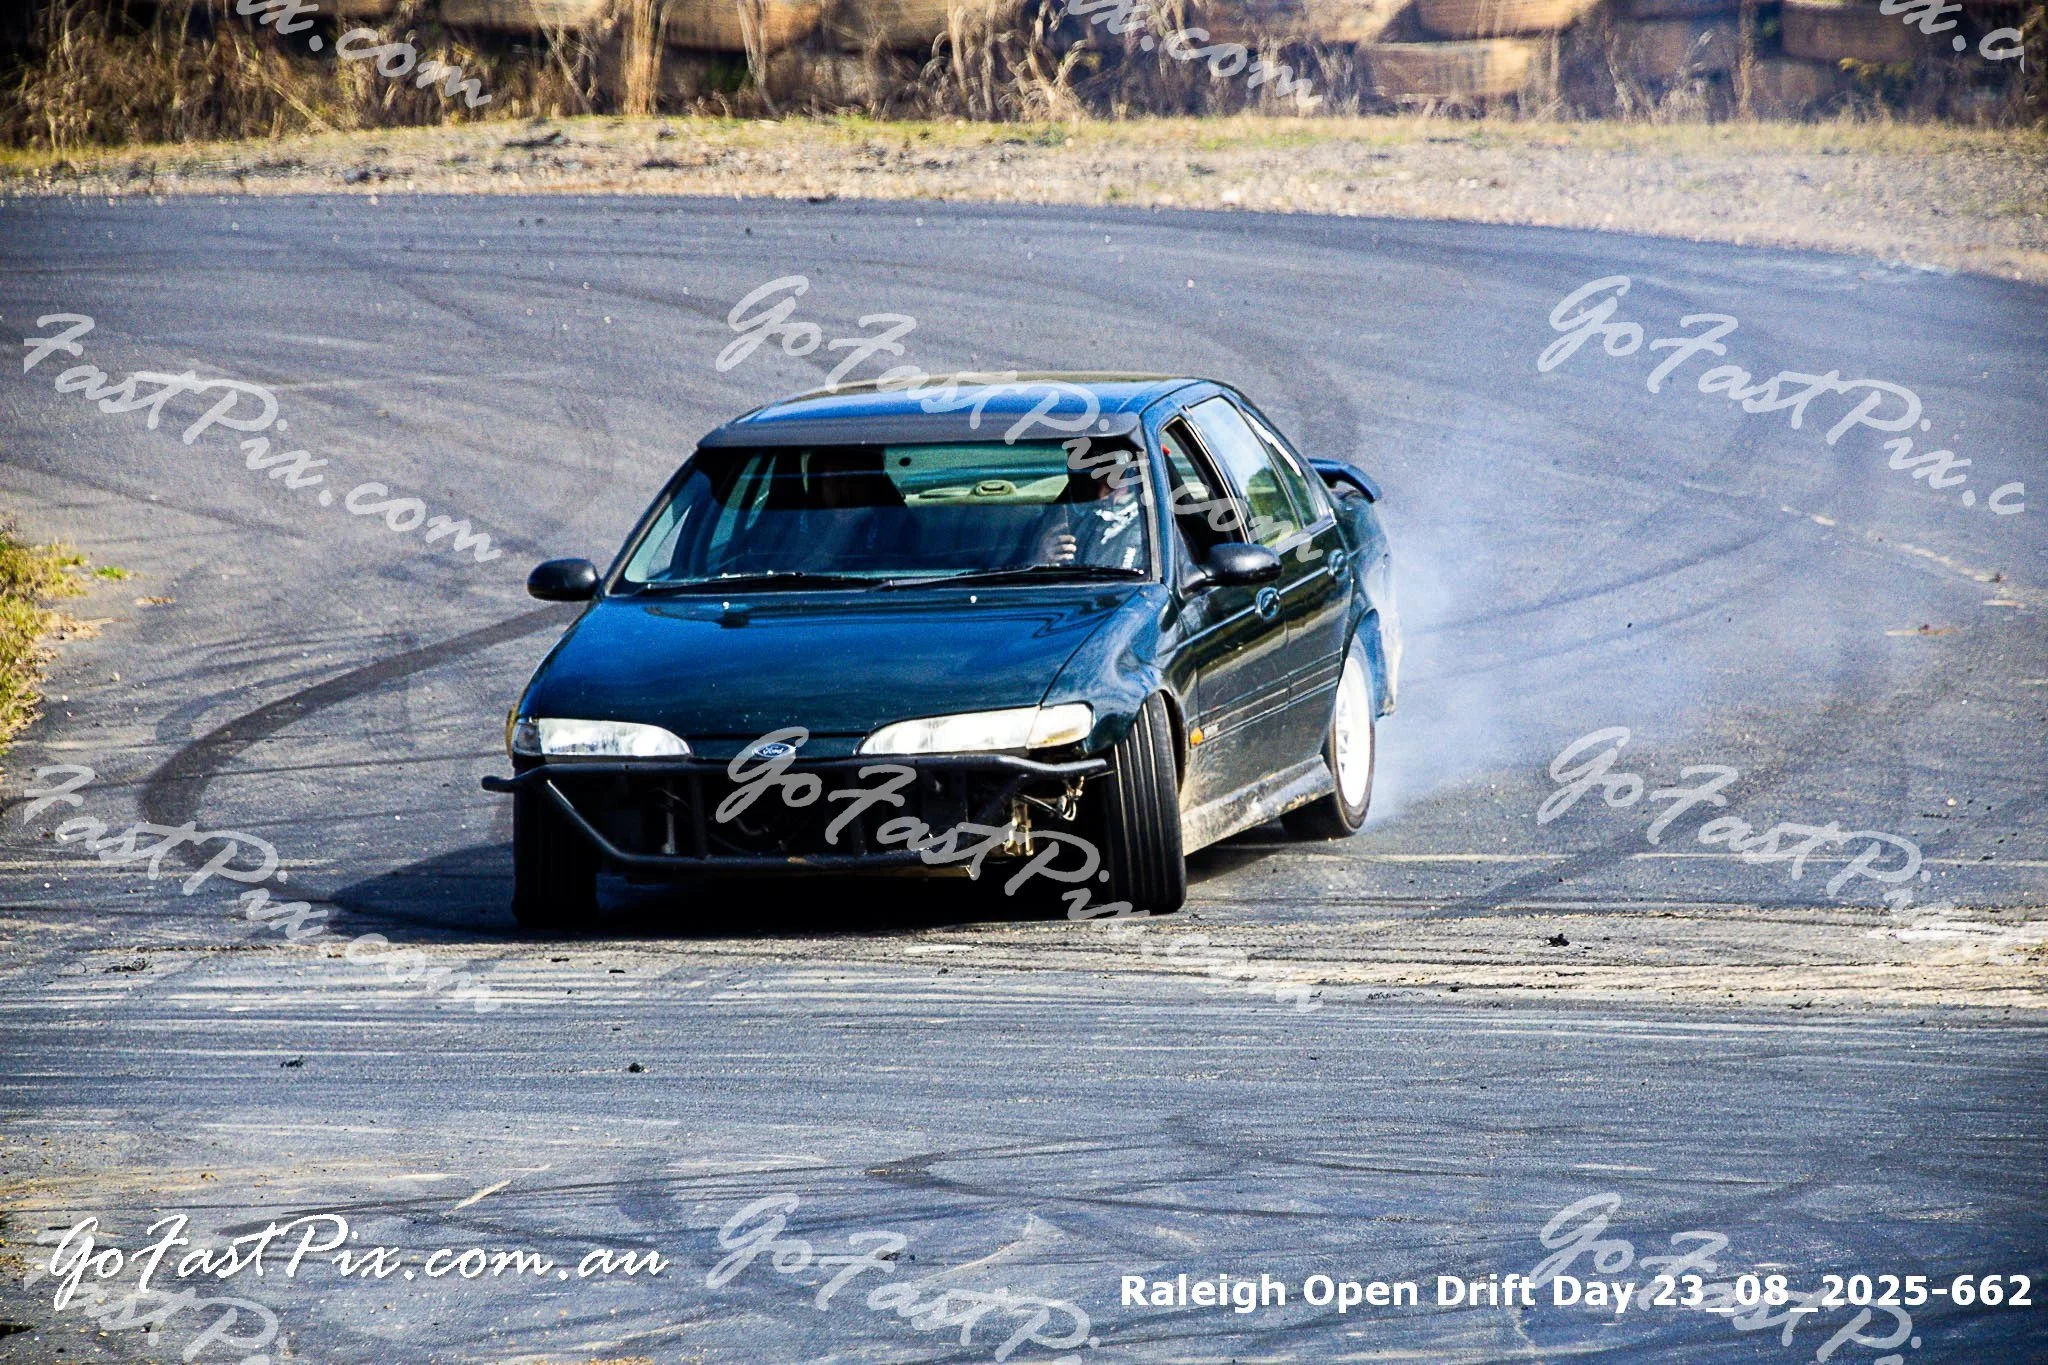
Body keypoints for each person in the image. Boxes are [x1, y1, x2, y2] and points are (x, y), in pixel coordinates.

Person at [1033, 450, 1146, 571]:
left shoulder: (1150, 521)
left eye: (1111, 482)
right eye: (1092, 482)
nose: (1100, 494)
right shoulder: (1067, 516)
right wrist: (1041, 560)